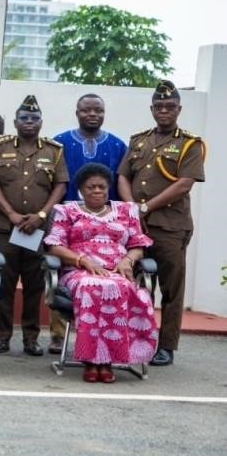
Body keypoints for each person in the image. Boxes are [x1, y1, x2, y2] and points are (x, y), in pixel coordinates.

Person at [118, 80, 206, 367]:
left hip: (169, 226)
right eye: (159, 106)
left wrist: (145, 207)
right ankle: (133, 339)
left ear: (179, 109)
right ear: (152, 109)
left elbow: (184, 184)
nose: (164, 111)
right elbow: (123, 176)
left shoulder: (189, 144)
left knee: (171, 288)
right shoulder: (139, 140)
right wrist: (132, 208)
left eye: (169, 106)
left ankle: (166, 345)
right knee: (136, 285)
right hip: (136, 227)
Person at [44, 163, 157, 383]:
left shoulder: (125, 211)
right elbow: (54, 245)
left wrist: (128, 260)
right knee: (92, 286)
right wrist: (82, 260)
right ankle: (91, 360)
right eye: (91, 187)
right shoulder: (66, 211)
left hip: (116, 270)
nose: (97, 191)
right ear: (80, 190)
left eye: (102, 187)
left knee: (119, 286)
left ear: (108, 189)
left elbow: (138, 244)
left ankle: (107, 360)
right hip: (78, 271)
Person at [0, 95, 69, 356]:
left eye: (34, 118)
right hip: (5, 227)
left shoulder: (54, 150)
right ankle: (2, 336)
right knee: (3, 284)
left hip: (37, 229)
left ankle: (31, 338)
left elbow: (61, 186)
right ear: (15, 122)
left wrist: (41, 215)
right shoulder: (0, 147)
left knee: (35, 286)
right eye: (24, 118)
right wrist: (10, 213)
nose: (29, 122)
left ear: (41, 122)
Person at [48, 93, 128, 355]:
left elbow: (122, 183)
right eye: (86, 110)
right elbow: (53, 183)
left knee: (105, 277)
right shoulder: (59, 143)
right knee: (60, 272)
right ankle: (58, 336)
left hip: (105, 226)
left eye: (98, 110)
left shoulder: (117, 146)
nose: (92, 114)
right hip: (66, 221)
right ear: (77, 112)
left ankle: (108, 337)